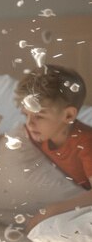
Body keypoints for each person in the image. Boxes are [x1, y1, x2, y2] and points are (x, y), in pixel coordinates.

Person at [14, 64, 92, 232]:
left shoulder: (86, 142)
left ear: (68, 115)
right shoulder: (37, 132)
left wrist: (51, 211)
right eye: (25, 115)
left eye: (39, 116)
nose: (29, 123)